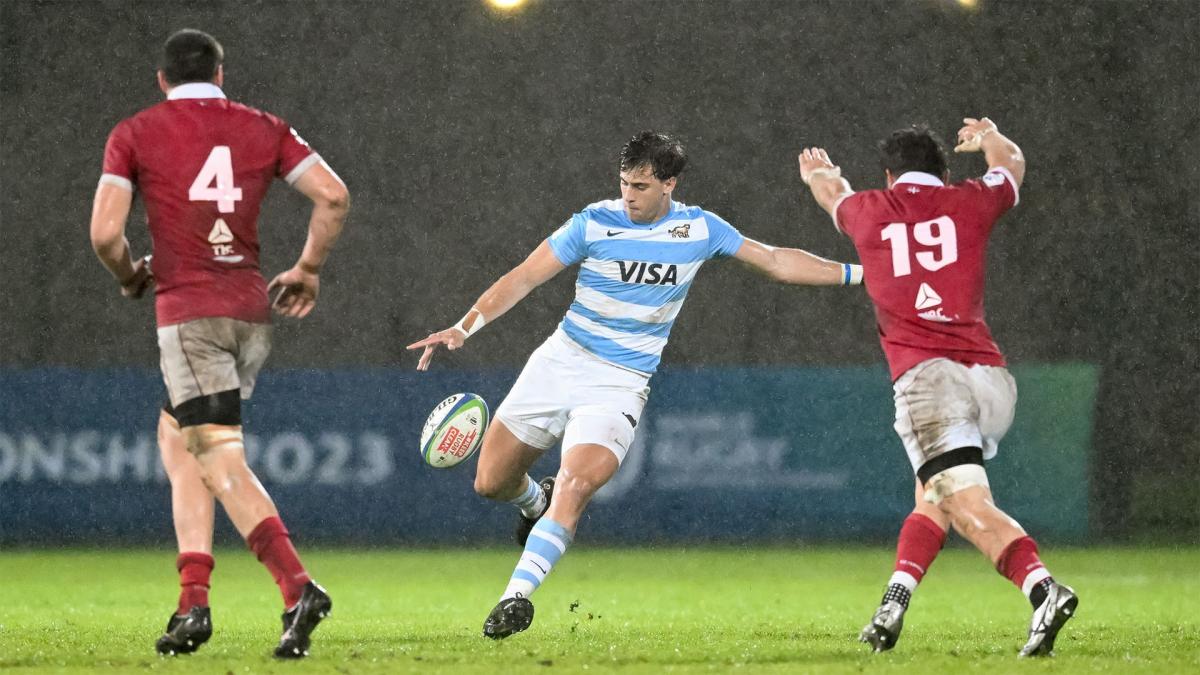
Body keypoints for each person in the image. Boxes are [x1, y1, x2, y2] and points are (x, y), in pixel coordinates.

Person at [408, 131, 864, 639]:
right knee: (490, 483)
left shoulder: (699, 229)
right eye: (624, 183)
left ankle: (515, 597)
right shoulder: (593, 222)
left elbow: (776, 260)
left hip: (619, 383)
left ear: (670, 184)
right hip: (559, 363)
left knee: (576, 484)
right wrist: (463, 326)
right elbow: (525, 276)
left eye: (641, 186)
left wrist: (863, 274)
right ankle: (535, 503)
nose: (628, 195)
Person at [89, 28, 349, 658]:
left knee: (216, 457)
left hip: (191, 316)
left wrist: (129, 275)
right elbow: (333, 196)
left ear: (162, 80)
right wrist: (308, 268)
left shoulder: (136, 132)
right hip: (250, 312)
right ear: (221, 75)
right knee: (178, 442)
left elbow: (104, 235)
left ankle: (298, 587)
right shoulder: (264, 127)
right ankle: (192, 605)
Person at [798, 118, 1078, 657]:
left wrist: (818, 173)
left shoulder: (867, 210)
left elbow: (832, 191)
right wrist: (990, 136)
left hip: (930, 382)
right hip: (992, 382)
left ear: (889, 175)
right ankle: (892, 604)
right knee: (933, 495)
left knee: (965, 503)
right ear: (943, 174)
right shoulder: (969, 200)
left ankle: (1044, 590)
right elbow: (1012, 165)